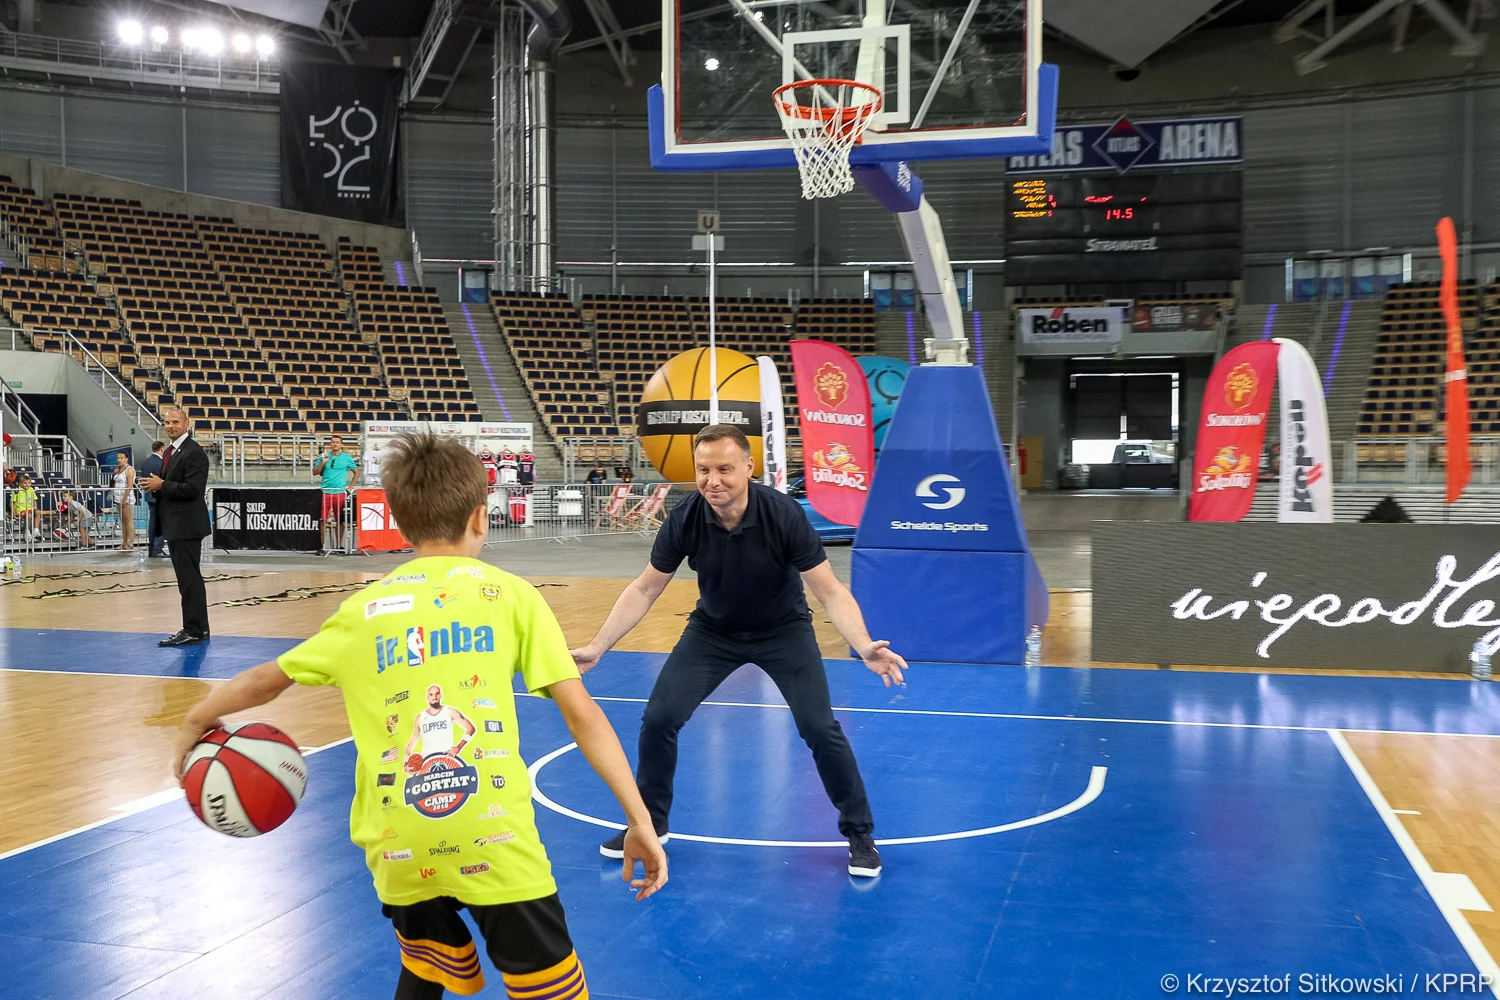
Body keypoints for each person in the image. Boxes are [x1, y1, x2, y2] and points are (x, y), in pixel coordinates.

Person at [171, 433, 667, 1000]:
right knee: (552, 990)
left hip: (399, 843)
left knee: (426, 975)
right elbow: (585, 719)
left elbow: (264, 681)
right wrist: (640, 822)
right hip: (493, 835)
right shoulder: (509, 596)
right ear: (481, 518)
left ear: (401, 525)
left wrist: (194, 722)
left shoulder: (360, 612)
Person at [571, 424, 908, 878]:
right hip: (714, 632)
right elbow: (645, 588)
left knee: (819, 727)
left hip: (783, 630)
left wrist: (863, 644)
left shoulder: (782, 514)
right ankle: (652, 824)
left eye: (725, 469)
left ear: (749, 467)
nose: (714, 480)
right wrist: (598, 645)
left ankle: (860, 834)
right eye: (704, 470)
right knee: (659, 719)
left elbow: (828, 590)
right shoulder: (687, 517)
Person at [140, 407, 211, 648]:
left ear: (186, 424)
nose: (170, 426)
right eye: (167, 422)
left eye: (175, 422)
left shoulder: (193, 452)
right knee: (186, 579)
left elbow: (193, 489)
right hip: (177, 525)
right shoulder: (172, 451)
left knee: (190, 579)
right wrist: (156, 486)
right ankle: (196, 627)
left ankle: (194, 629)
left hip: (188, 525)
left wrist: (163, 485)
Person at [313, 435, 360, 552]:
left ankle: (339, 545)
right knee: (323, 520)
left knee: (340, 520)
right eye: (333, 442)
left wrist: (350, 487)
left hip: (339, 493)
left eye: (337, 442)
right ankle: (321, 546)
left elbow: (356, 472)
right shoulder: (323, 456)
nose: (335, 444)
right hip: (325, 492)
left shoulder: (346, 458)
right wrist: (323, 463)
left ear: (341, 445)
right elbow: (315, 472)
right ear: (330, 444)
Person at [141, 441, 167, 557]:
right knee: (160, 523)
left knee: (152, 522)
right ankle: (157, 549)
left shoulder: (145, 463)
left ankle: (152, 548)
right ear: (162, 449)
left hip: (149, 495)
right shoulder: (162, 463)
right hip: (160, 496)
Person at [111, 451, 137, 551]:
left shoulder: (129, 470)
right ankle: (124, 542)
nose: (119, 460)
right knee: (123, 521)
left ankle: (130, 542)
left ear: (126, 459)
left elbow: (130, 485)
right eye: (118, 458)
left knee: (129, 520)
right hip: (117, 498)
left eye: (121, 458)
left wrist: (124, 499)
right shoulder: (119, 470)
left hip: (126, 499)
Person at [10, 472, 39, 541]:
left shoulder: (31, 489)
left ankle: (36, 530)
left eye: (29, 483)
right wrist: (13, 512)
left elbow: (35, 500)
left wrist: (35, 507)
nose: (27, 485)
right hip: (21, 510)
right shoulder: (17, 490)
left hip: (30, 509)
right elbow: (12, 502)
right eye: (25, 483)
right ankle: (27, 532)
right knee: (28, 515)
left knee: (37, 512)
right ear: (20, 483)